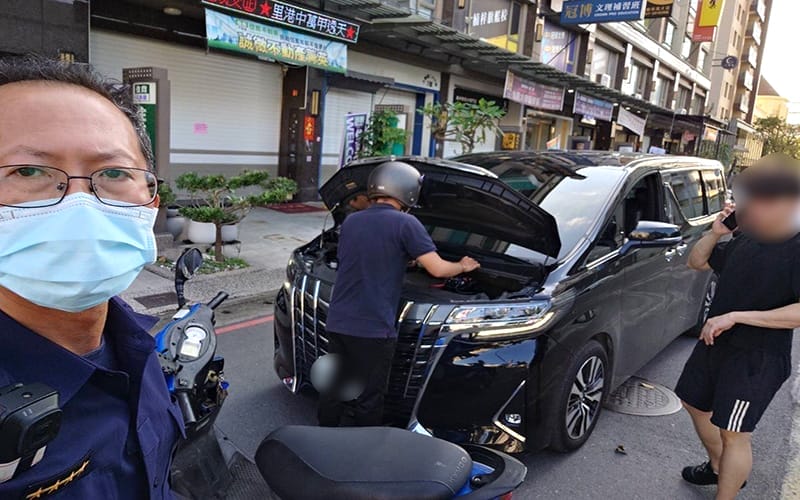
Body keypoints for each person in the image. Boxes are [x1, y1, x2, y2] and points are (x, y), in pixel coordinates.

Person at [0, 56, 182, 498]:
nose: (79, 204)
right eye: (28, 170)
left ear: (151, 201)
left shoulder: (139, 346)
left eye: (115, 173)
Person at [676, 153, 800, 500]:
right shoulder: (748, 237)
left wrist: (736, 316)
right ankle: (719, 467)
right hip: (716, 343)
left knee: (734, 433)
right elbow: (696, 262)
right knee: (693, 402)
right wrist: (715, 232)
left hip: (757, 357)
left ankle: (726, 489)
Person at [318, 161, 480, 427]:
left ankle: (322, 436)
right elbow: (438, 269)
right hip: (372, 327)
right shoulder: (406, 223)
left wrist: (405, 259)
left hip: (338, 321)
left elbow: (367, 256)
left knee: (335, 386)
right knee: (369, 397)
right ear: (407, 191)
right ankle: (361, 446)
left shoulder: (352, 221)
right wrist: (462, 266)